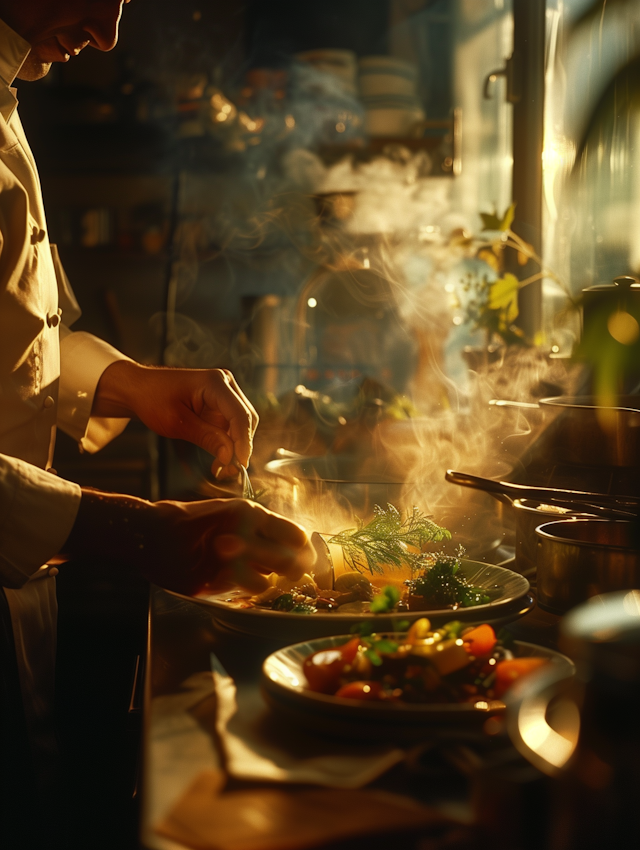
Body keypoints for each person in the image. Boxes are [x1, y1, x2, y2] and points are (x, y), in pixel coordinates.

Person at [0, 0, 316, 841]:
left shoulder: (7, 95)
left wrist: (132, 385)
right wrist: (139, 532)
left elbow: (20, 337)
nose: (107, 32)